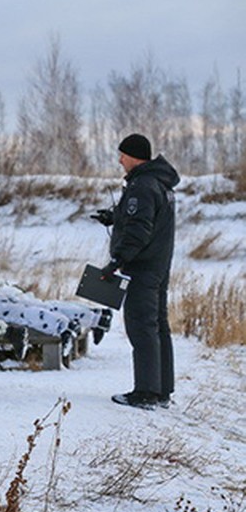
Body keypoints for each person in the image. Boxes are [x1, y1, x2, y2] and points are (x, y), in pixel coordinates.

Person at [92, 133, 179, 409]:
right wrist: (113, 217)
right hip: (159, 265)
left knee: (141, 326)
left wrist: (116, 261)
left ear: (134, 155)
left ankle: (145, 393)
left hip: (142, 267)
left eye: (123, 155)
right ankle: (162, 390)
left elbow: (139, 231)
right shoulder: (160, 184)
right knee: (158, 326)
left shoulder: (142, 186)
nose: (120, 160)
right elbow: (143, 219)